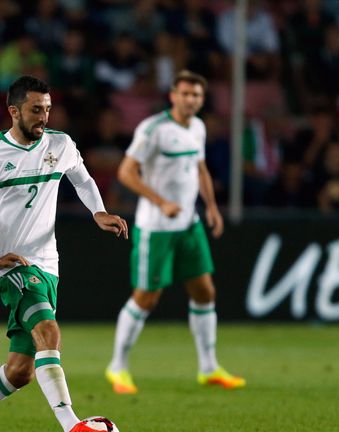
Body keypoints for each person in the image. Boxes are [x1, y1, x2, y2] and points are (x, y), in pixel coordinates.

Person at [0, 75, 128, 432]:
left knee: (19, 371)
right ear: (14, 111)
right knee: (48, 330)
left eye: (47, 109)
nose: (43, 117)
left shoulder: (60, 144)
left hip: (48, 266)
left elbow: (82, 179)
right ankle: (72, 425)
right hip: (13, 267)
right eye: (35, 110)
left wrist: (98, 211)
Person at [105, 70, 245, 395]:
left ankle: (209, 368)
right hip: (156, 228)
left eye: (196, 95)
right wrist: (161, 201)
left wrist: (210, 207)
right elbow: (125, 172)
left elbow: (200, 168)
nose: (191, 100)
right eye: (185, 94)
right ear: (173, 96)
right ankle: (118, 366)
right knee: (146, 298)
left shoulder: (198, 127)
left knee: (205, 291)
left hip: (188, 225)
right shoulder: (153, 129)